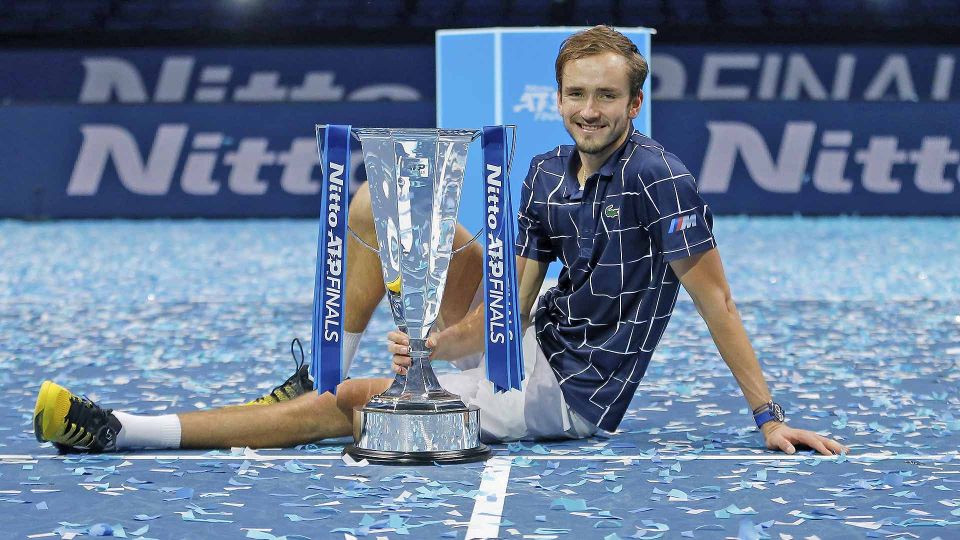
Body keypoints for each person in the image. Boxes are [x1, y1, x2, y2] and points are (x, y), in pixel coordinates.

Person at [33, 25, 847, 457]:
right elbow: (508, 311)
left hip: (570, 396)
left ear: (634, 104)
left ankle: (125, 431)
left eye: (606, 97)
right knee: (371, 207)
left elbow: (719, 303)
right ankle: (317, 370)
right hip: (525, 345)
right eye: (576, 94)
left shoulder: (661, 180)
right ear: (557, 97)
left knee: (354, 409)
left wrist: (768, 417)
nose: (589, 110)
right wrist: (432, 342)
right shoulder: (545, 174)